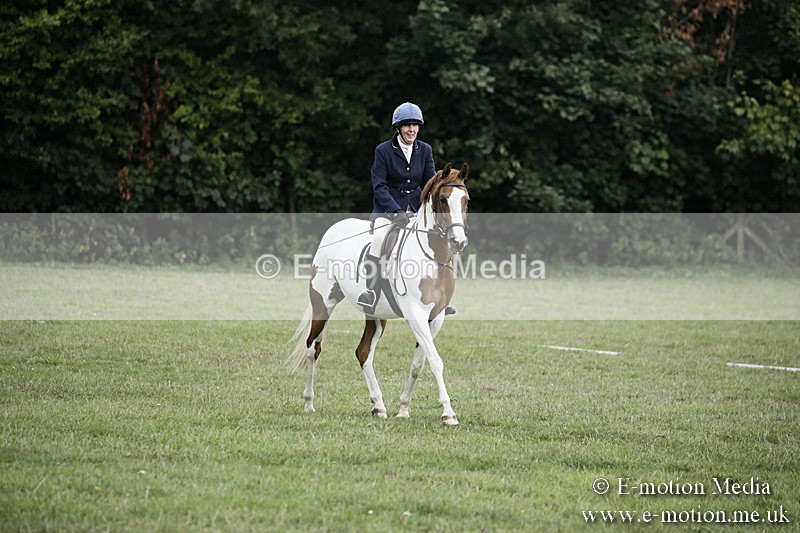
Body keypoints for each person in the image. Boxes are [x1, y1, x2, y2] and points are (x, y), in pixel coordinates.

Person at [357, 102, 436, 311]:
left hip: (417, 208)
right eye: (407, 125)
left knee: (437, 240)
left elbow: (430, 183)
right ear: (398, 127)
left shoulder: (425, 150)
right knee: (379, 238)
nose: (412, 130)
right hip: (388, 208)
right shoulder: (383, 150)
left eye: (415, 125)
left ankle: (438, 295)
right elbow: (379, 186)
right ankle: (371, 291)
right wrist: (396, 211)